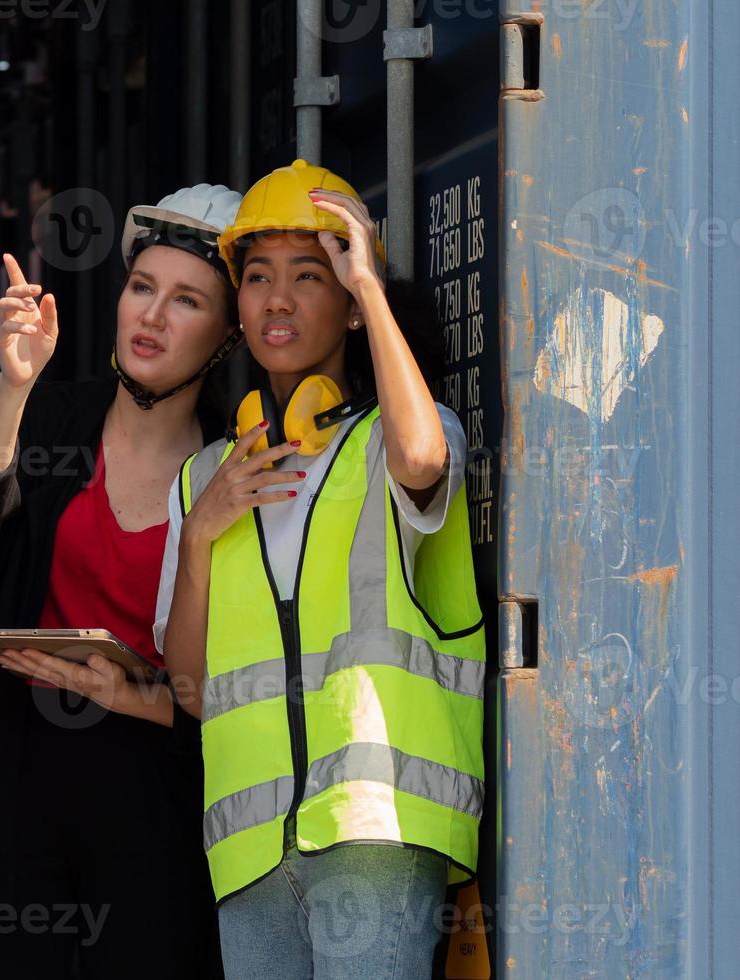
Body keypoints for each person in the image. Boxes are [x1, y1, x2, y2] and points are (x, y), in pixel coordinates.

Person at [156, 160, 485, 979]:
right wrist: (199, 536)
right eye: (257, 277)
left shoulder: (394, 437)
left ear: (342, 301)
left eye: (310, 277)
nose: (277, 299)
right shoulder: (203, 481)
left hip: (374, 823)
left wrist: (371, 287)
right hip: (249, 848)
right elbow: (190, 690)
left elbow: (421, 458)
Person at [0, 185, 242, 979]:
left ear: (226, 335)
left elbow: (243, 675)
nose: (151, 316)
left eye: (186, 300)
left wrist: (139, 697)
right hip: (19, 775)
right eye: (141, 288)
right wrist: (13, 382)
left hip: (153, 790)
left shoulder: (232, 466)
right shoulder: (51, 421)